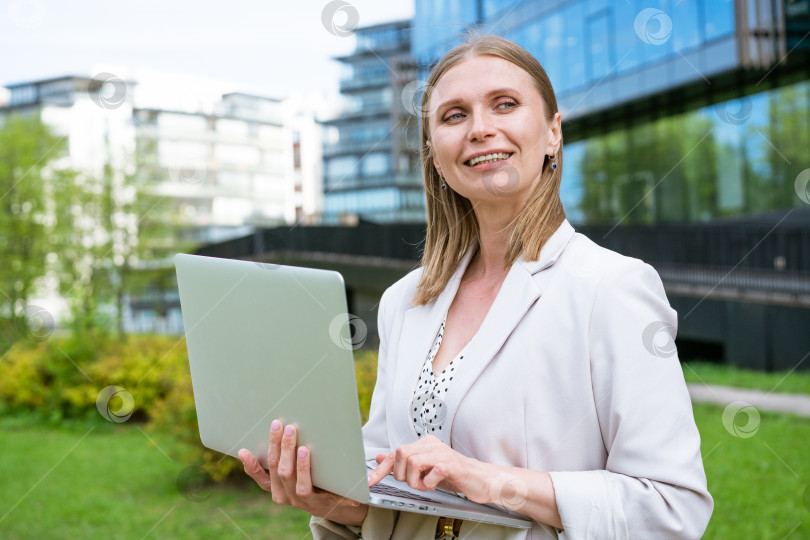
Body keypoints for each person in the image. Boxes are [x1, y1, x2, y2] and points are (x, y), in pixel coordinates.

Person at [238, 34, 714, 539]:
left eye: (504, 105)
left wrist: (491, 482)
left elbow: (672, 508)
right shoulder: (404, 301)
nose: (481, 129)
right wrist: (338, 502)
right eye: (454, 115)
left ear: (553, 132)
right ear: (434, 154)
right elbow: (392, 493)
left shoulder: (612, 288)